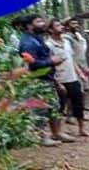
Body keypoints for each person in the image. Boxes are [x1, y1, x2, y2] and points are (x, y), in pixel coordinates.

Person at [17, 14, 72, 146]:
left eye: (42, 21)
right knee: (40, 110)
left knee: (54, 107)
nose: (43, 23)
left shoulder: (37, 38)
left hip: (47, 78)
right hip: (37, 80)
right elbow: (32, 64)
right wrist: (51, 61)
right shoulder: (27, 43)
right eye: (39, 21)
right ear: (30, 25)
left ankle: (56, 132)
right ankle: (41, 136)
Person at [47, 19, 89, 138]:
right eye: (57, 25)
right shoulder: (49, 45)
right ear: (50, 29)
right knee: (60, 106)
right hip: (60, 79)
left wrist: (80, 74)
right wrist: (57, 83)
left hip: (73, 77)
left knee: (78, 103)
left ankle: (82, 129)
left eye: (61, 25)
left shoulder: (66, 43)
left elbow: (72, 59)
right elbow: (49, 66)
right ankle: (57, 132)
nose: (61, 27)